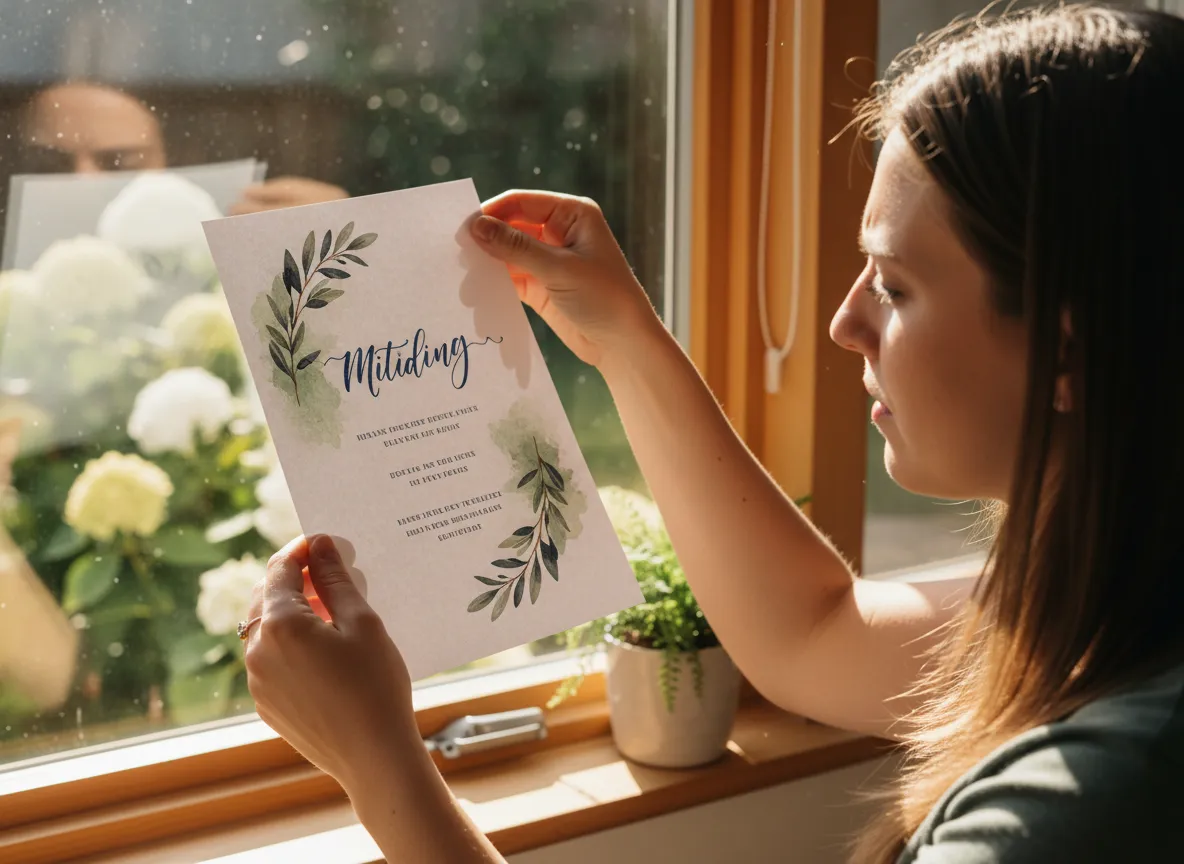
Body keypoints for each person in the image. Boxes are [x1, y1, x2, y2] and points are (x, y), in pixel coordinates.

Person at [240, 5, 1184, 862]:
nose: (844, 324)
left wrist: (382, 771)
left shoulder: (1089, 799)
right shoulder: (1115, 602)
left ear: (1068, 351)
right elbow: (812, 635)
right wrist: (624, 338)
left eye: (894, 287)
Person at [18, 81, 347, 211]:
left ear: (174, 164)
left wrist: (346, 244)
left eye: (121, 163)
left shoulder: (232, 244)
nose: (83, 179)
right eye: (48, 163)